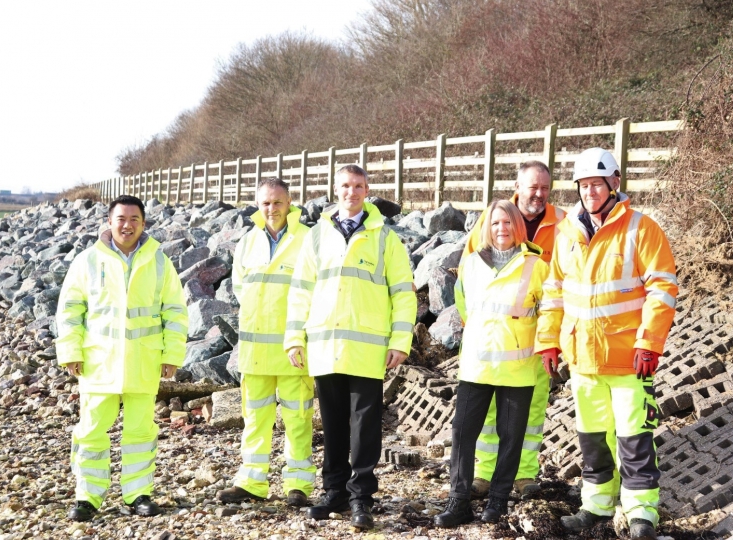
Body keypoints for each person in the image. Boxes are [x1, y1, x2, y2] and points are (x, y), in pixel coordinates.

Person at [535, 148, 677, 540]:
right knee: (593, 439)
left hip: (628, 358)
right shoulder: (566, 234)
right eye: (584, 185)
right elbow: (553, 291)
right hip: (582, 359)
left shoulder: (641, 229)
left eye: (597, 183)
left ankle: (641, 513)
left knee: (634, 440)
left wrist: (649, 343)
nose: (590, 191)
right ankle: (596, 505)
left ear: (615, 183)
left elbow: (663, 288)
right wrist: (549, 341)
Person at [284, 164, 416, 530]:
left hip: (367, 350)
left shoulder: (385, 238)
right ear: (335, 189)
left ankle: (361, 497)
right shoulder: (316, 237)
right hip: (325, 346)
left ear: (367, 189)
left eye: (358, 186)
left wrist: (400, 341)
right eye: (345, 186)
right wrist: (295, 338)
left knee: (364, 428)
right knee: (333, 425)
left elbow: (403, 294)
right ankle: (335, 492)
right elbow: (300, 292)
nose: (351, 192)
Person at [55, 194, 188, 522]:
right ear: (109, 222)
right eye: (121, 219)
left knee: (141, 432)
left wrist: (171, 354)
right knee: (91, 432)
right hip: (98, 363)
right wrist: (70, 351)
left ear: (143, 224)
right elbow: (70, 310)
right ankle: (88, 496)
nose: (127, 225)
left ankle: (138, 493)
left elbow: (174, 311)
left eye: (134, 220)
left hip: (143, 362)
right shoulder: (88, 261)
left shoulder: (159, 261)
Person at [434, 199, 549, 527]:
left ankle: (497, 502)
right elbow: (464, 304)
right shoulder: (470, 263)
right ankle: (458, 501)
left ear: (518, 227)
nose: (502, 229)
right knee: (462, 432)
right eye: (496, 223)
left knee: (511, 436)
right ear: (487, 227)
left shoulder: (536, 266)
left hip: (518, 367)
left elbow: (549, 312)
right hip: (477, 364)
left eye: (508, 223)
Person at [463, 161, 565, 500]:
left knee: (532, 411)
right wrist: (474, 325)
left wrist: (554, 336)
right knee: (489, 412)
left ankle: (523, 474)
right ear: (517, 187)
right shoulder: (492, 219)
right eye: (532, 187)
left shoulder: (563, 224)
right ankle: (483, 473)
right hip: (494, 341)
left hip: (537, 340)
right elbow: (467, 279)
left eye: (544, 188)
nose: (538, 194)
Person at [218, 178, 315, 507]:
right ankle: (251, 482)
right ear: (258, 206)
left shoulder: (306, 240)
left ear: (290, 202)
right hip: (255, 350)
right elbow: (239, 288)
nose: (271, 209)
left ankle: (298, 484)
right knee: (255, 418)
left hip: (293, 349)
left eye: (277, 202)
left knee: (297, 419)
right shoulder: (248, 242)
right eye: (265, 203)